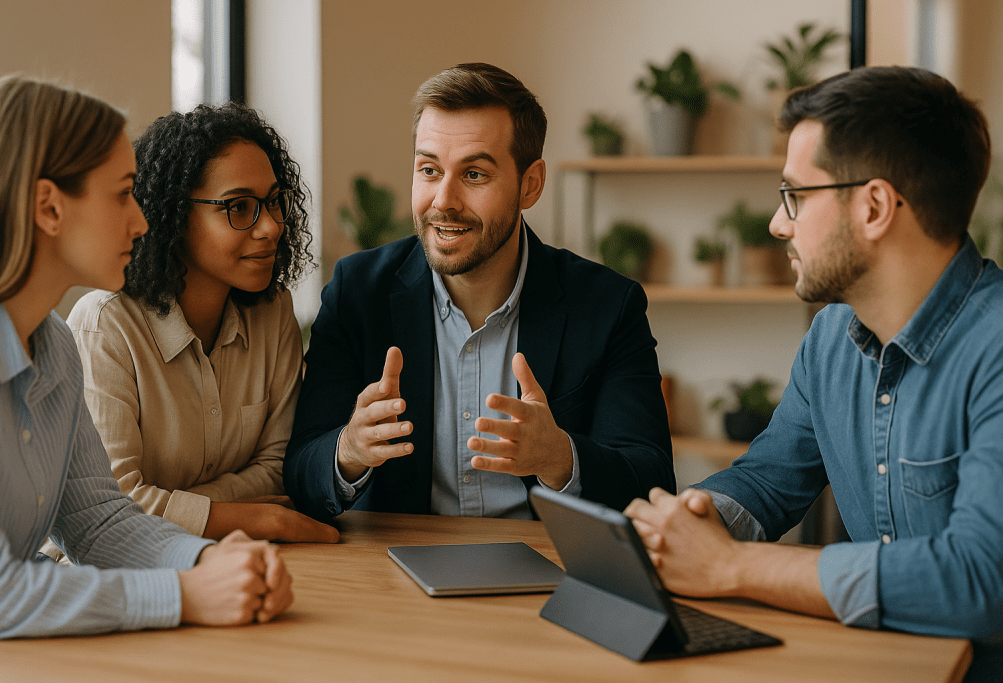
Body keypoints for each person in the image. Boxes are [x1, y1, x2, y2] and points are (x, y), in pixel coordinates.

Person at [624, 66, 1002, 681]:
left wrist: (731, 568)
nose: (778, 224)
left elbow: (980, 579)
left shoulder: (996, 349)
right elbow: (769, 483)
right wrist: (686, 527)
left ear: (875, 206)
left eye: (794, 196)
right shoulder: (830, 338)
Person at [285, 62, 674, 521]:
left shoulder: (608, 305)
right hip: (392, 576)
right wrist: (347, 449)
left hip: (544, 571)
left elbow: (651, 483)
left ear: (530, 185)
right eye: (429, 169)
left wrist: (560, 458)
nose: (444, 200)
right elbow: (300, 472)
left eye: (474, 175)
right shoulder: (357, 293)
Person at [0, 75, 292, 637]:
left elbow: (98, 522)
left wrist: (205, 561)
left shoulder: (53, 347)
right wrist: (184, 593)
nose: (144, 221)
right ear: (49, 208)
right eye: (123, 194)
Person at [63, 103, 338, 543]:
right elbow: (110, 511)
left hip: (235, 558)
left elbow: (277, 469)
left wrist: (179, 504)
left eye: (273, 201)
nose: (270, 226)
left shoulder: (273, 312)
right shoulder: (105, 327)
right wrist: (255, 517)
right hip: (112, 579)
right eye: (239, 206)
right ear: (172, 216)